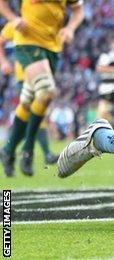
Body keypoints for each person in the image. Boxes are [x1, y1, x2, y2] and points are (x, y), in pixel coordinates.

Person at [0, 0, 84, 175]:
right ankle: (28, 150)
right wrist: (13, 18)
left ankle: (8, 151)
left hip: (52, 48)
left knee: (29, 103)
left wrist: (70, 28)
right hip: (27, 43)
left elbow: (77, 10)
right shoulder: (13, 27)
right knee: (46, 93)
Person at [0, 23, 59, 177]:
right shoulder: (16, 24)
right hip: (24, 75)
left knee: (34, 113)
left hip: (40, 70)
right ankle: (29, 152)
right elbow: (1, 41)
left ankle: (9, 151)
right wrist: (4, 62)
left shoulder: (45, 25)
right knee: (34, 112)